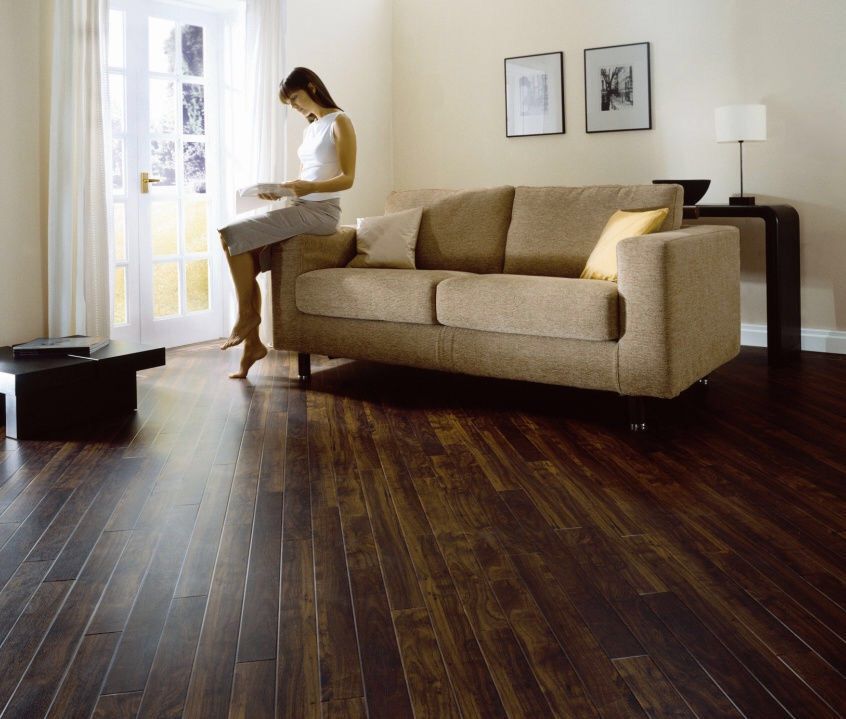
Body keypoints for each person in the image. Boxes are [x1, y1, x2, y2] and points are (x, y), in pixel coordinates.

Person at [218, 67, 356, 378]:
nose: (294, 106)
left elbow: (347, 178)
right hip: (299, 203)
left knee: (229, 234)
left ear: (311, 87)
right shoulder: (311, 127)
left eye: (295, 98)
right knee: (244, 255)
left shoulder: (340, 121)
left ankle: (246, 317)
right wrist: (281, 189)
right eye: (290, 103)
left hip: (322, 213)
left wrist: (310, 188)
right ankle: (252, 344)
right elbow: (306, 176)